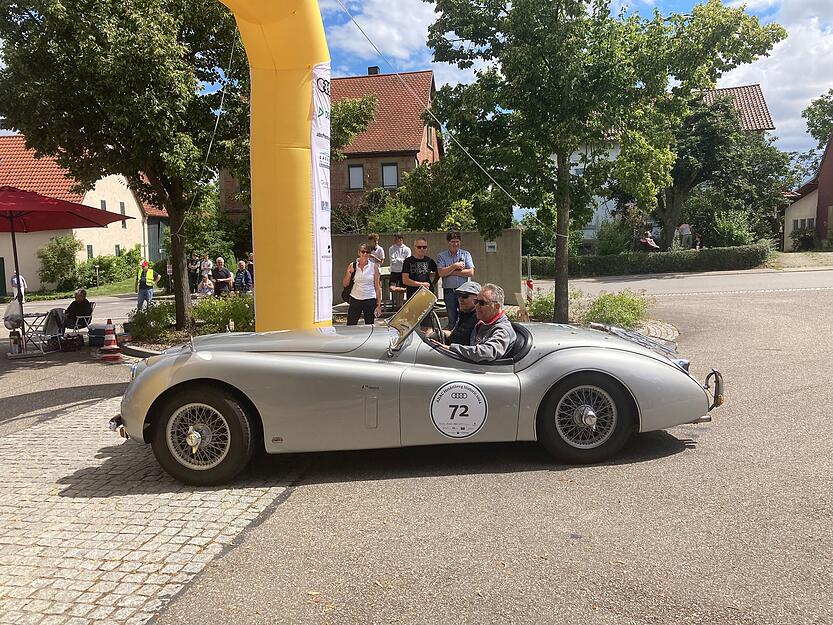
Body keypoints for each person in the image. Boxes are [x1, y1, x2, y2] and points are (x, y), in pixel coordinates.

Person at [432, 283, 516, 363]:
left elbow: (488, 352)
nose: (476, 306)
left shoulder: (502, 329)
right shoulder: (483, 322)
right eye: (476, 302)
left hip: (484, 372)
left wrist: (451, 348)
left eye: (482, 303)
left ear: (496, 307)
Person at [436, 231, 475, 330]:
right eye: (453, 241)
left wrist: (451, 271)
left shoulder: (466, 254)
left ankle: (465, 337)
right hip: (449, 291)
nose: (455, 244)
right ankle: (453, 339)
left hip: (464, 292)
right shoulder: (442, 256)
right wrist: (455, 266)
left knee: (466, 316)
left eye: (457, 241)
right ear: (448, 242)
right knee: (452, 318)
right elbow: (440, 273)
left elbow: (471, 272)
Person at [343, 243, 382, 325]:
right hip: (355, 298)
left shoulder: (374, 267)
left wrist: (378, 305)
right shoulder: (353, 265)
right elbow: (345, 284)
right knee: (351, 325)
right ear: (359, 253)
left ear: (370, 254)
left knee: (369, 325)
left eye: (367, 252)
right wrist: (348, 273)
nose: (365, 254)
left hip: (370, 298)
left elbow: (377, 287)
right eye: (363, 251)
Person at [434, 281, 480, 346]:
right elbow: (454, 334)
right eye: (458, 296)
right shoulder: (464, 313)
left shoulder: (479, 317)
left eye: (465, 296)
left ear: (477, 298)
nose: (460, 299)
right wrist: (440, 333)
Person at [388, 233, 411, 307]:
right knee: (392, 288)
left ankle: (400, 305)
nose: (394, 240)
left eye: (396, 239)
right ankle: (395, 303)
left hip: (403, 272)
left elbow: (407, 261)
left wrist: (398, 259)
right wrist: (401, 260)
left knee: (403, 289)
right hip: (394, 271)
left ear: (401, 239)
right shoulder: (391, 248)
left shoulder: (407, 249)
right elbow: (392, 260)